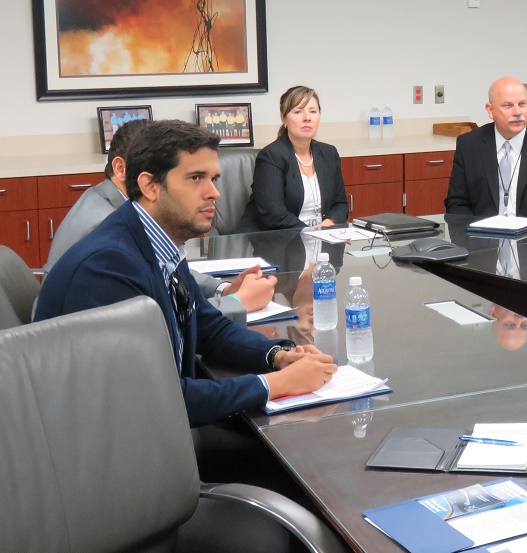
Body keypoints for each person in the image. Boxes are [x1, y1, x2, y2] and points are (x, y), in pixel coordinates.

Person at [34, 120, 337, 427]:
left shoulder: (160, 240)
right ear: (150, 186)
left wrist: (277, 354)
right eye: (195, 178)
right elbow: (152, 400)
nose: (214, 193)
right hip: (120, 441)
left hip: (159, 423)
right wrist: (277, 384)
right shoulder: (108, 266)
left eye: (214, 179)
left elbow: (207, 327)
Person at [43, 118, 274, 323]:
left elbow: (168, 274)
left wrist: (222, 289)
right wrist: (237, 302)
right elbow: (162, 321)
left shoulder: (118, 207)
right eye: (194, 178)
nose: (214, 193)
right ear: (123, 169)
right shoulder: (106, 233)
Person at [444, 76, 527, 224]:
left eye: (522, 104)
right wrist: (476, 230)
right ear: (490, 110)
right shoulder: (469, 145)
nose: (517, 112)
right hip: (482, 235)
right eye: (508, 106)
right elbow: (457, 203)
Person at [238, 86, 349, 231]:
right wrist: (312, 233)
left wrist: (326, 225)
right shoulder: (271, 156)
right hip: (278, 238)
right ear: (283, 117)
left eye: (313, 111)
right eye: (298, 112)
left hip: (320, 236)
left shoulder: (329, 153)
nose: (307, 118)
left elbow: (340, 204)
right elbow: (274, 216)